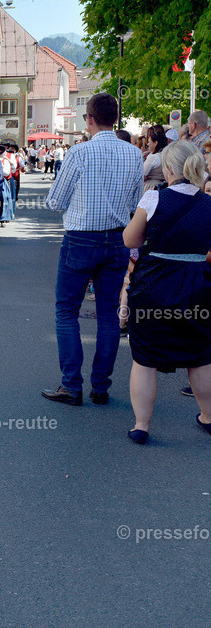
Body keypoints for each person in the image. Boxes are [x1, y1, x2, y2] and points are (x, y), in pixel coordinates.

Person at [42, 93, 144, 407]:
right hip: (117, 240)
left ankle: (72, 385)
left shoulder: (79, 153)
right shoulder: (133, 154)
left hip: (81, 240)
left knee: (66, 312)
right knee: (109, 316)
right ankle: (101, 386)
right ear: (115, 119)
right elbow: (134, 203)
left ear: (89, 118)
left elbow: (55, 202)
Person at [121, 139, 211, 444]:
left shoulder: (153, 199)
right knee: (200, 355)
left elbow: (131, 241)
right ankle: (209, 417)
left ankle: (141, 426)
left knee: (144, 359)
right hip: (197, 287)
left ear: (168, 168)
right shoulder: (209, 203)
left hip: (154, 285)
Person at [142, 125, 168, 190]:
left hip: (150, 187)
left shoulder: (153, 157)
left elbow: (142, 175)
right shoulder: (166, 155)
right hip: (162, 186)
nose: (147, 144)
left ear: (155, 143)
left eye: (149, 142)